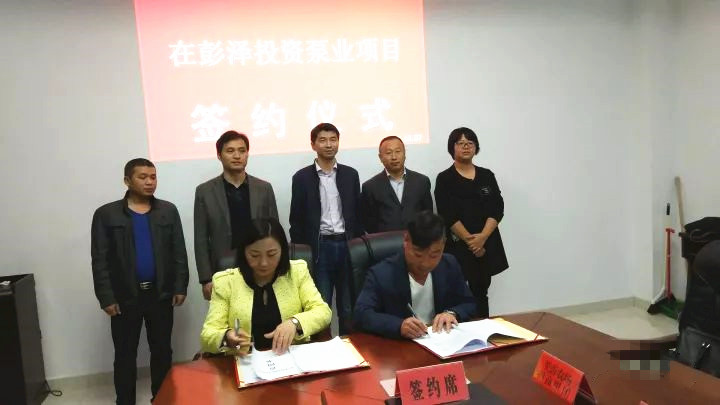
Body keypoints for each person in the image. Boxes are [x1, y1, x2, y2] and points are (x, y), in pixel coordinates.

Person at [91, 158, 189, 404]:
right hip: (125, 297)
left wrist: (180, 286)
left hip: (160, 294)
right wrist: (106, 297)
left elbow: (179, 252)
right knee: (125, 354)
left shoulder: (168, 210)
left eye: (153, 177)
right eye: (142, 177)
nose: (149, 182)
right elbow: (100, 259)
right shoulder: (106, 214)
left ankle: (162, 398)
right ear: (127, 180)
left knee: (162, 351)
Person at [200, 218, 331, 354]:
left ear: (282, 250)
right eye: (254, 255)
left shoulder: (297, 272)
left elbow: (323, 312)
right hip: (245, 360)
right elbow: (208, 334)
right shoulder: (225, 282)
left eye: (271, 254)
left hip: (289, 357)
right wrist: (226, 337)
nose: (264, 263)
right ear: (244, 253)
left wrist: (294, 322)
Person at [354, 211, 476, 339]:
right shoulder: (382, 273)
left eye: (434, 255)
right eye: (418, 255)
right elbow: (361, 314)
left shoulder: (449, 264)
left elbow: (469, 303)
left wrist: (452, 313)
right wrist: (399, 325)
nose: (425, 263)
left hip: (440, 340)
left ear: (443, 244)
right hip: (401, 345)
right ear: (406, 241)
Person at [289, 123, 362, 335]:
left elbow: (358, 213)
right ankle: (324, 348)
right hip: (320, 248)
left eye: (333, 139)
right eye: (322, 140)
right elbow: (296, 220)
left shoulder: (350, 175)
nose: (329, 145)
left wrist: (356, 243)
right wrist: (304, 254)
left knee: (348, 306)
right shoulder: (301, 178)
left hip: (346, 245)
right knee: (321, 305)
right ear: (313, 145)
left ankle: (351, 345)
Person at [194, 130, 279, 301]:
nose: (237, 156)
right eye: (230, 151)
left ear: (247, 154)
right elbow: (201, 238)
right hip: (223, 268)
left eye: (242, 150)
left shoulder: (264, 188)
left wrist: (277, 267)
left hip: (260, 265)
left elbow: (275, 232)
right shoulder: (205, 191)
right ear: (219, 155)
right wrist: (206, 278)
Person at [434, 127, 508, 318]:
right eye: (460, 143)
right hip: (459, 245)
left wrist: (482, 238)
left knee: (481, 291)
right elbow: (447, 214)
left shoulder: (486, 175)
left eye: (470, 143)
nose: (466, 147)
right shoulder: (444, 179)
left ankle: (484, 328)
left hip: (486, 243)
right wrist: (472, 242)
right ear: (452, 148)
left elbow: (497, 208)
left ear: (476, 147)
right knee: (457, 293)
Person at [360, 136, 433, 233]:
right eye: (388, 153)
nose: (394, 157)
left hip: (417, 239)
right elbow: (369, 223)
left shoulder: (422, 181)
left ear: (405, 154)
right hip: (385, 240)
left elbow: (428, 216)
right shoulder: (370, 187)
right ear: (380, 157)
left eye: (398, 151)